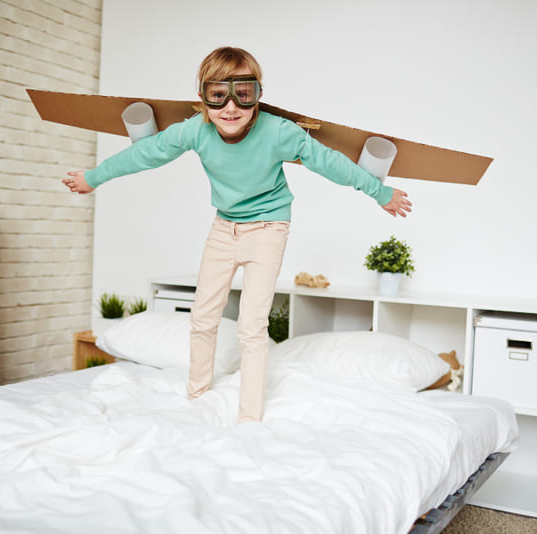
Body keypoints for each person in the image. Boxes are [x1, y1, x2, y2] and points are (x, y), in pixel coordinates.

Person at [63, 46, 412, 423]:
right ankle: (197, 398)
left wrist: (381, 193)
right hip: (223, 227)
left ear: (258, 95)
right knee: (202, 317)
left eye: (242, 94)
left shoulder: (280, 132)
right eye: (218, 95)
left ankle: (249, 418)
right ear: (202, 98)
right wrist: (93, 177)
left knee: (251, 326)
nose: (230, 107)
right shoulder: (195, 131)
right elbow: (145, 154)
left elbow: (332, 165)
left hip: (268, 228)